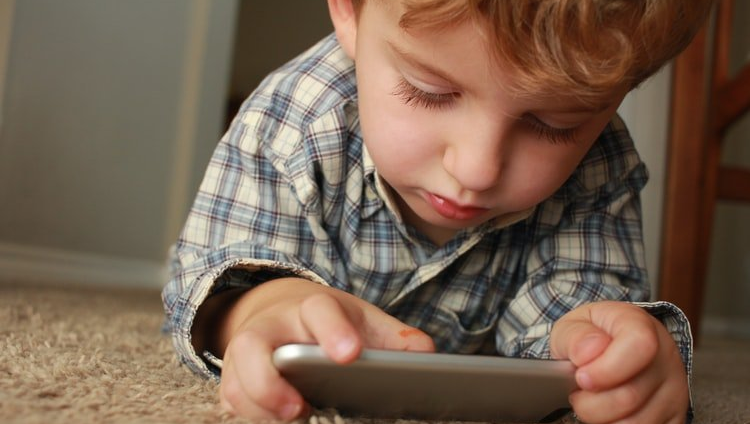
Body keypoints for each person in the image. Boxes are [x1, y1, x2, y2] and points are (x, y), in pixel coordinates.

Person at [162, 0, 713, 422]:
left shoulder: (599, 163)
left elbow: (574, 303)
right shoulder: (293, 120)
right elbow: (212, 278)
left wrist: (607, 355)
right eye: (429, 91)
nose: (477, 168)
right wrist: (258, 309)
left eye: (555, 124)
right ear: (350, 12)